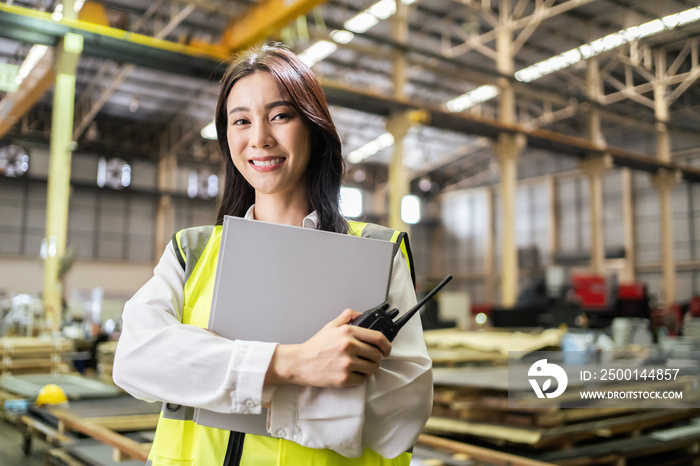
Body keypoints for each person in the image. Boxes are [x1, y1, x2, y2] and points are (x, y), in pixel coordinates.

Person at [113, 43, 432, 466]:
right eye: (240, 120)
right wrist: (293, 364)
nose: (260, 138)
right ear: (227, 137)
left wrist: (206, 367)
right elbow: (137, 359)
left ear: (313, 128)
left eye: (280, 116)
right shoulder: (192, 251)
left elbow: (401, 412)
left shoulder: (376, 253)